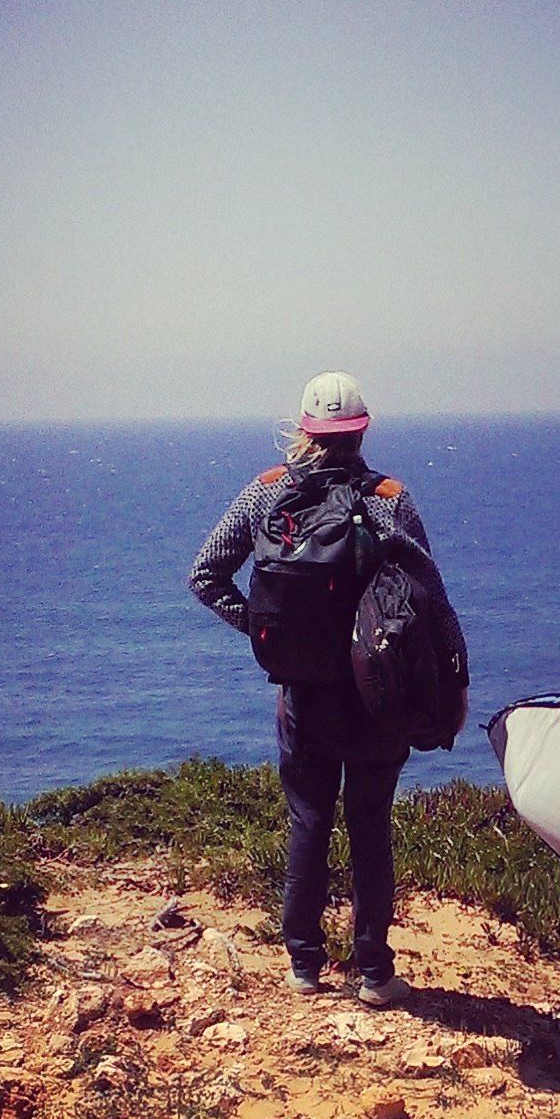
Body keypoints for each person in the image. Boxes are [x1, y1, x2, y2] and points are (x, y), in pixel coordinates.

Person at [189, 371, 469, 1006]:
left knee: (308, 820)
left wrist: (263, 633)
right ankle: (373, 971)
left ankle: (303, 966)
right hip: (378, 698)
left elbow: (205, 575)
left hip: (303, 694)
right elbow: (433, 601)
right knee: (371, 824)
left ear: (305, 429)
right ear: (363, 429)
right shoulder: (391, 499)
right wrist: (454, 682)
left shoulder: (267, 495)